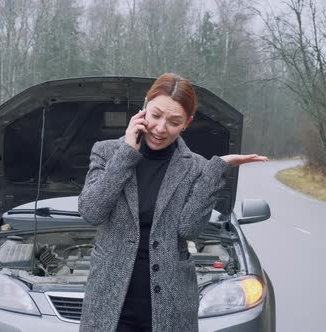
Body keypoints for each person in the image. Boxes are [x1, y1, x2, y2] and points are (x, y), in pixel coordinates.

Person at [78, 73, 268, 332]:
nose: (160, 128)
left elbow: (188, 229)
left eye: (174, 121)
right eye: (156, 115)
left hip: (171, 306)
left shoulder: (196, 168)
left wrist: (216, 170)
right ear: (144, 106)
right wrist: (126, 154)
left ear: (187, 123)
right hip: (108, 303)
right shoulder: (106, 151)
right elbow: (91, 211)